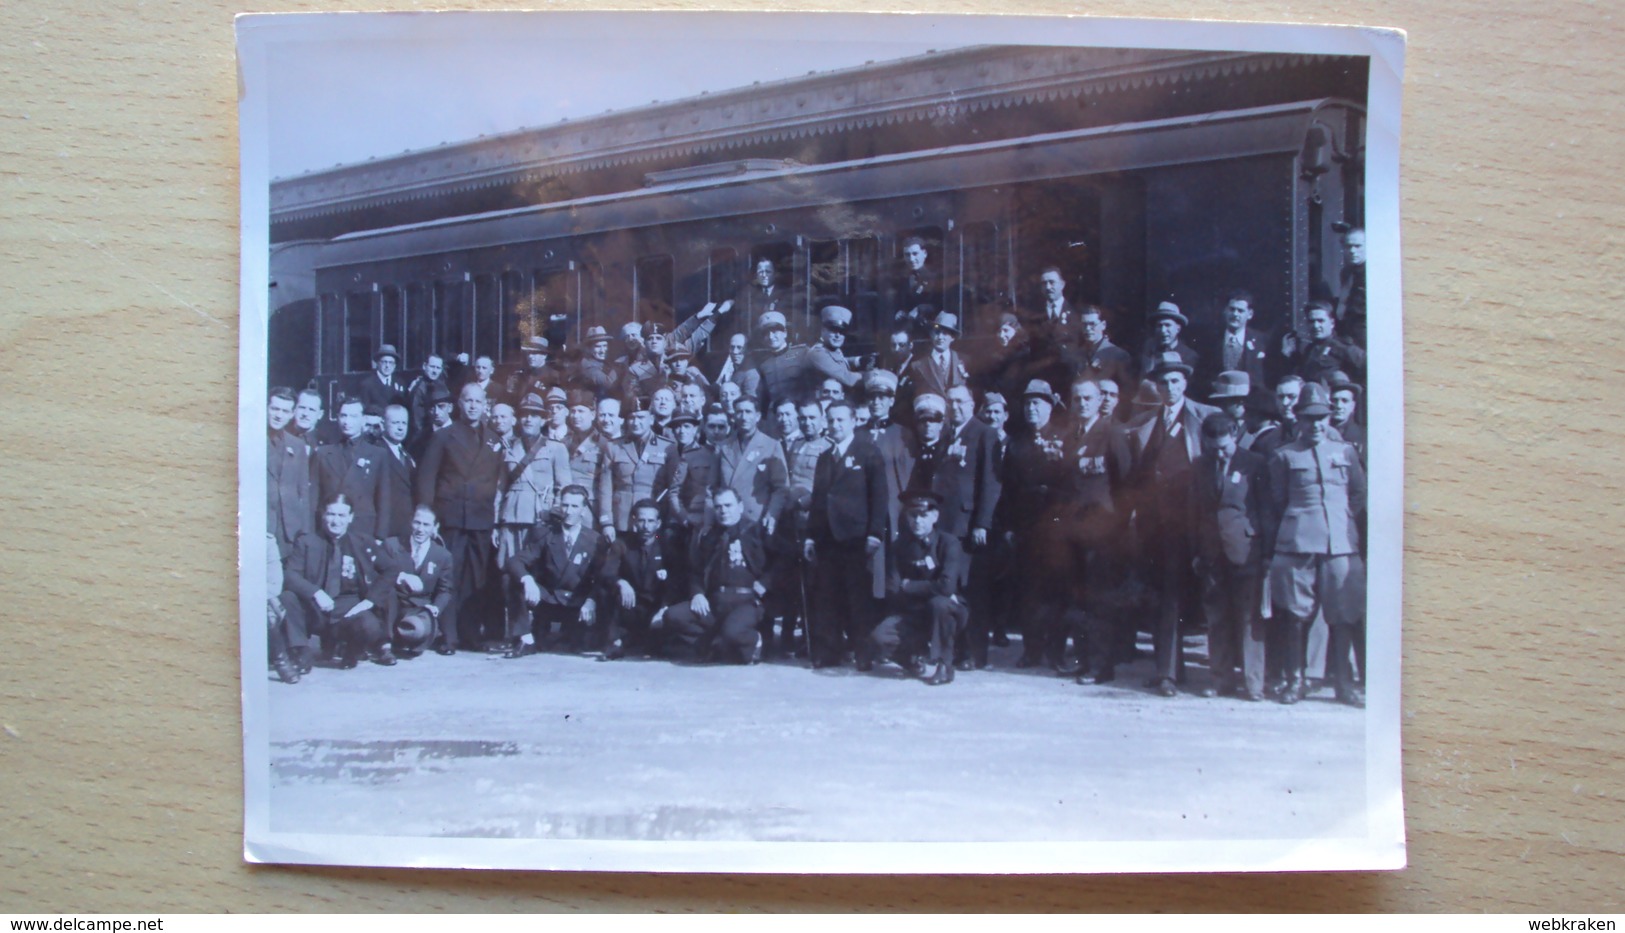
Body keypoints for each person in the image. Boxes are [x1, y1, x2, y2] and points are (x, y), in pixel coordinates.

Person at [1264, 383, 1367, 707]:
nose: (1317, 424)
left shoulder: (1346, 452)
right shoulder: (1284, 456)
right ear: (1298, 419)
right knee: (1296, 614)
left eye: (1322, 417)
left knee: (1344, 614)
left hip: (1340, 543)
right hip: (1298, 543)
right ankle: (1295, 680)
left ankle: (1344, 685)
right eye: (1309, 419)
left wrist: (1342, 519)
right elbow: (1277, 499)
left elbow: (1359, 493)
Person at [1124, 352, 1220, 696]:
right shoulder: (1147, 422)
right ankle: (1168, 670)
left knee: (1191, 596)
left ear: (1186, 382)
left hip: (1192, 522)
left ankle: (1199, 675)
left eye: (1176, 380)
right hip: (1157, 525)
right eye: (1164, 381)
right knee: (1164, 597)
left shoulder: (1205, 416)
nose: (1170, 387)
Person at [414, 381, 505, 654]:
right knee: (449, 578)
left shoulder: (493, 439)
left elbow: (498, 482)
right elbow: (427, 477)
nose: (473, 406)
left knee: (476, 579)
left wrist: (496, 520)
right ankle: (448, 637)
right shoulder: (444, 436)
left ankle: (470, 635)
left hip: (480, 520)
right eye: (468, 401)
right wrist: (428, 514)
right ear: (459, 405)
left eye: (478, 401)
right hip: (451, 517)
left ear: (485, 405)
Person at [996, 379, 1078, 672]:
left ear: (1049, 407)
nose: (1032, 408)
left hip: (1056, 527)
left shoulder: (1065, 438)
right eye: (1028, 403)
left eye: (1037, 403)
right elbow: (1006, 488)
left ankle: (1056, 652)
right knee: (1029, 593)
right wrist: (1008, 526)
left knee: (1056, 592)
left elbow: (1072, 485)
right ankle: (1032, 650)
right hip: (1026, 527)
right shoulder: (1016, 444)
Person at [804, 401, 888, 668]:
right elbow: (818, 500)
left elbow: (880, 497)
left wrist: (875, 533)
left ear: (853, 421)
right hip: (828, 538)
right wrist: (811, 536)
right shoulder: (825, 457)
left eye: (840, 420)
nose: (835, 425)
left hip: (856, 538)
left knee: (858, 598)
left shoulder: (868, 452)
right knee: (827, 597)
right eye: (831, 420)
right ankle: (829, 651)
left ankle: (864, 653)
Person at [1192, 412, 1269, 700]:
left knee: (1250, 620)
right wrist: (1197, 552)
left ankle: (1254, 684)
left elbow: (1265, 510)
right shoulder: (1199, 466)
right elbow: (1195, 511)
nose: (1219, 453)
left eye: (1224, 447)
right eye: (1213, 448)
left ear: (1234, 434)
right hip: (1212, 553)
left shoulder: (1254, 464)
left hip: (1246, 551)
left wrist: (1266, 554)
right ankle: (1221, 680)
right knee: (1217, 618)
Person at [282, 495, 394, 669]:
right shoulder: (307, 542)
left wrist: (369, 601)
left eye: (342, 516)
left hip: (348, 609)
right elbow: (290, 575)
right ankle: (301, 653)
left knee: (369, 625)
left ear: (350, 517)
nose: (336, 521)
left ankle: (352, 650)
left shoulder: (362, 543)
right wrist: (315, 593)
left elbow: (391, 569)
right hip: (316, 607)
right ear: (323, 515)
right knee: (288, 597)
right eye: (331, 514)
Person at [870, 489, 967, 685]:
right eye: (912, 515)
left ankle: (945, 664)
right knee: (878, 638)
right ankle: (911, 660)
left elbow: (947, 587)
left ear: (935, 516)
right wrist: (924, 588)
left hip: (947, 612)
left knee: (940, 603)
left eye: (923, 515)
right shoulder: (899, 547)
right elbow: (893, 589)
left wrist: (910, 586)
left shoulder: (948, 543)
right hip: (914, 612)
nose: (917, 521)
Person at [664, 487, 771, 664]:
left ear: (740, 506)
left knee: (733, 633)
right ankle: (714, 644)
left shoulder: (756, 532)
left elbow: (784, 560)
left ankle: (754, 640)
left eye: (728, 505)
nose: (723, 511)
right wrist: (697, 593)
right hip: (715, 602)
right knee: (673, 616)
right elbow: (696, 571)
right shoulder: (710, 537)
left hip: (747, 602)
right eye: (718, 507)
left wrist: (766, 582)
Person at [506, 485, 608, 656]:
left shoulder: (595, 540)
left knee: (578, 645)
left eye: (575, 506)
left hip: (577, 604)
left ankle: (578, 635)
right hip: (548, 600)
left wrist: (591, 600)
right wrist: (527, 579)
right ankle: (526, 639)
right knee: (511, 580)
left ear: (584, 510)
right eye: (565, 505)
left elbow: (602, 577)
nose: (568, 511)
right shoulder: (546, 534)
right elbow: (515, 561)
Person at [600, 499, 689, 660]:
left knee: (658, 647)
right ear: (634, 521)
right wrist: (621, 582)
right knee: (607, 591)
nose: (646, 526)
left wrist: (663, 609)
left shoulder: (666, 545)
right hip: (631, 605)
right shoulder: (622, 543)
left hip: (656, 608)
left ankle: (645, 639)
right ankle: (616, 641)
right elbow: (607, 573)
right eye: (641, 520)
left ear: (658, 523)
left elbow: (678, 580)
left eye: (650, 521)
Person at [374, 505, 455, 660]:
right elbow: (376, 572)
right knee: (388, 591)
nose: (420, 529)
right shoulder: (392, 545)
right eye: (417, 523)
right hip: (393, 605)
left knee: (418, 630)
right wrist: (401, 576)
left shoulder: (442, 556)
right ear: (411, 522)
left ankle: (408, 639)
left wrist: (436, 608)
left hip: (419, 607)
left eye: (426, 525)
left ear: (435, 527)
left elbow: (445, 590)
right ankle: (385, 645)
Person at [311, 396, 391, 545]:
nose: (347, 422)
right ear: (337, 418)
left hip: (364, 530)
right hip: (329, 529)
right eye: (343, 416)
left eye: (353, 416)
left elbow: (384, 499)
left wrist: (380, 536)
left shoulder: (378, 454)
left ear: (363, 420)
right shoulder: (323, 453)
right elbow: (314, 498)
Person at [602, 396, 678, 536]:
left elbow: (673, 488)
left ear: (651, 419)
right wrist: (606, 522)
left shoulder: (668, 447)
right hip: (622, 518)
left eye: (641, 418)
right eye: (632, 418)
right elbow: (606, 487)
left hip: (653, 518)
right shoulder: (613, 447)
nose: (636, 423)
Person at [713, 396, 788, 534]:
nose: (743, 417)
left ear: (758, 416)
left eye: (748, 412)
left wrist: (772, 515)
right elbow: (711, 487)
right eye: (739, 412)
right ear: (734, 416)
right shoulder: (723, 447)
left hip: (757, 521)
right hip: (727, 519)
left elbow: (781, 488)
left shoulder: (771, 446)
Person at [860, 369, 916, 535]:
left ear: (891, 401)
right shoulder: (857, 434)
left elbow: (908, 478)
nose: (876, 402)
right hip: (862, 510)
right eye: (872, 397)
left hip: (893, 510)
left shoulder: (904, 434)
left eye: (881, 397)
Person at [1199, 291, 1270, 411]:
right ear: (1225, 311)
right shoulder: (1211, 341)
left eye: (1240, 311)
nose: (1235, 314)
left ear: (1250, 314)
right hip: (1218, 405)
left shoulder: (1262, 342)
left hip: (1251, 406)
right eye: (1232, 309)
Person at [267, 386, 314, 554]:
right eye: (275, 409)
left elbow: (303, 491)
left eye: (285, 411)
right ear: (266, 408)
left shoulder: (297, 444)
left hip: (288, 531)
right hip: (262, 526)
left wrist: (305, 531)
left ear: (292, 414)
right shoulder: (254, 438)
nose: (279, 415)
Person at [1282, 301, 1366, 388]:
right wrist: (1290, 355)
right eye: (1311, 321)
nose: (1315, 326)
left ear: (1332, 323)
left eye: (1320, 321)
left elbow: (1369, 366)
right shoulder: (1310, 349)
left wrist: (1358, 393)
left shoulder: (1341, 347)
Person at [563, 389, 613, 520]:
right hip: (565, 506)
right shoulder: (564, 442)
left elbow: (607, 484)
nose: (575, 416)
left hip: (589, 508)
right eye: (573, 411)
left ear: (592, 414)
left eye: (581, 411)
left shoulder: (604, 444)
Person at [1073, 306, 1136, 403]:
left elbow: (1127, 392)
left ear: (1103, 325)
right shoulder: (1077, 355)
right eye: (1084, 325)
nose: (1088, 329)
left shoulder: (1118, 355)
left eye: (1092, 324)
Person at [904, 312, 971, 403]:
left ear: (952, 338)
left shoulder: (964, 360)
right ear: (931, 334)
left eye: (945, 333)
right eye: (937, 332)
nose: (940, 337)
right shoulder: (917, 365)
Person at [753, 311, 810, 417]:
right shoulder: (764, 364)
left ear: (785, 333)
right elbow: (764, 397)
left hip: (802, 414)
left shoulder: (802, 353)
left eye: (775, 332)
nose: (771, 337)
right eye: (766, 333)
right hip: (778, 417)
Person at [375, 403, 417, 545]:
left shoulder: (407, 454)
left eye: (404, 423)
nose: (400, 428)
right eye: (395, 423)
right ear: (383, 424)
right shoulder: (375, 451)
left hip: (406, 527)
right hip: (387, 528)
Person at [1137, 301, 1201, 385]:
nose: (1163, 331)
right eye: (1159, 326)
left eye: (1167, 325)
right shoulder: (1148, 350)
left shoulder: (1189, 356)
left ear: (1178, 328)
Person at [890, 236, 939, 340]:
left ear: (924, 254)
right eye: (907, 255)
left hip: (929, 333)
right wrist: (900, 312)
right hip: (907, 334)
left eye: (915, 254)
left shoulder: (935, 277)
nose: (911, 259)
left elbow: (940, 305)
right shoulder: (902, 280)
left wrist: (920, 308)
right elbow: (899, 303)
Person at [805, 305, 864, 392]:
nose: (838, 336)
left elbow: (838, 361)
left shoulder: (832, 349)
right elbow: (848, 379)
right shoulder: (817, 353)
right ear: (823, 331)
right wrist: (872, 375)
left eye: (842, 332)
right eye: (833, 330)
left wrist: (858, 361)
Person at [504, 336, 566, 405]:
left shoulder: (554, 377)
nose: (530, 356)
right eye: (528, 353)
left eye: (534, 353)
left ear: (544, 355)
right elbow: (512, 400)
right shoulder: (520, 376)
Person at [407, 354, 451, 442]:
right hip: (423, 436)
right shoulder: (419, 388)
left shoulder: (441, 385)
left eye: (438, 368)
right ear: (424, 366)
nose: (435, 371)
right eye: (432, 367)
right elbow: (417, 420)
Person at [1335, 225, 1366, 347]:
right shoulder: (1346, 272)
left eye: (1358, 246)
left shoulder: (1373, 273)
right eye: (1348, 246)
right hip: (1346, 328)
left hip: (1363, 328)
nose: (1352, 251)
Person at [575, 326, 625, 399]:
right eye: (597, 346)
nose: (602, 350)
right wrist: (619, 366)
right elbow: (609, 383)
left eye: (605, 346)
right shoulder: (587, 365)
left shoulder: (603, 362)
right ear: (588, 348)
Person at [357, 344, 407, 415]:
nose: (387, 366)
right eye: (384, 362)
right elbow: (364, 409)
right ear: (377, 363)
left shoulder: (400, 383)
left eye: (391, 363)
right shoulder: (367, 384)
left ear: (394, 366)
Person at [1328, 372, 1366, 463]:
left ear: (1352, 406)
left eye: (1344, 401)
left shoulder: (1363, 436)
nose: (1339, 405)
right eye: (1334, 400)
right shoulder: (1320, 432)